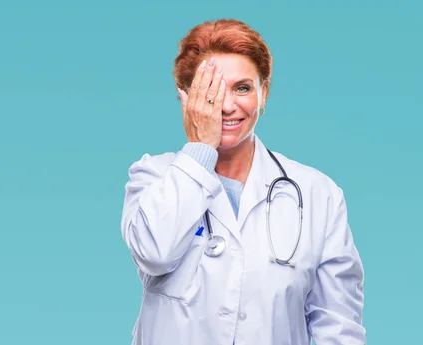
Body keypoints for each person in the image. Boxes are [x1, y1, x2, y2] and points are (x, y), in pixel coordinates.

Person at [120, 18, 366, 345]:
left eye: (243, 88)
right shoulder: (153, 177)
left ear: (264, 93)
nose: (226, 105)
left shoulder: (318, 195)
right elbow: (154, 253)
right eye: (211, 90)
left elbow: (339, 327)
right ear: (185, 97)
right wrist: (200, 149)